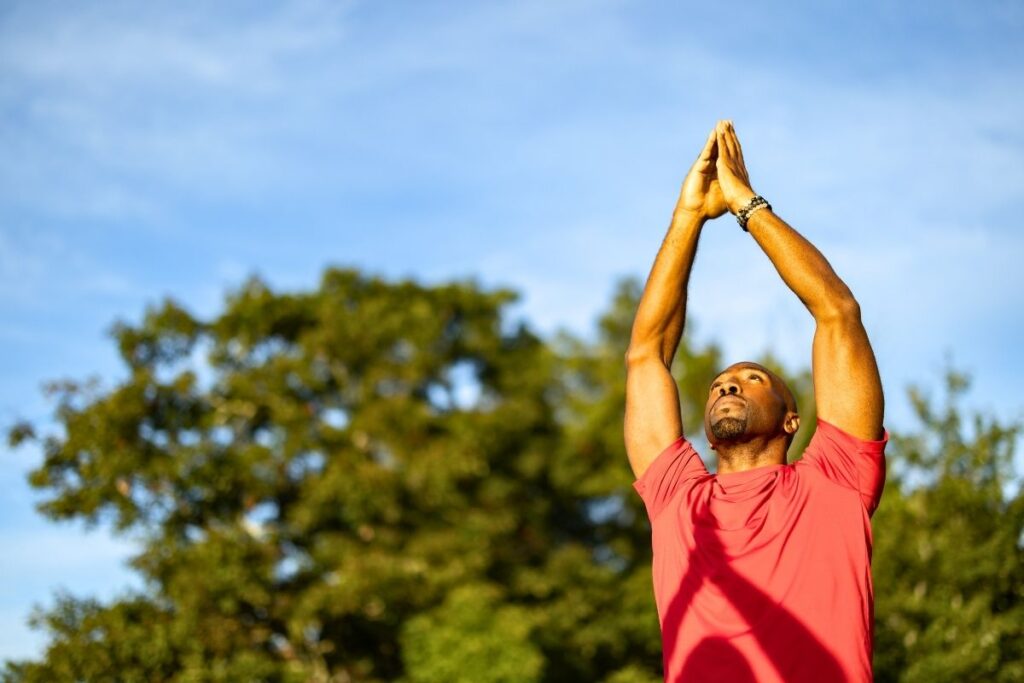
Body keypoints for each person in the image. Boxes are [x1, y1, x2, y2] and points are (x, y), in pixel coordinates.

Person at [624, 120, 888, 682]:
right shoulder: (675, 498)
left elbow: (837, 312)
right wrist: (688, 216)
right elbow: (646, 354)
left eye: (752, 379)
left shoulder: (837, 479)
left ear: (793, 420)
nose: (727, 385)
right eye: (720, 383)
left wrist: (747, 204)